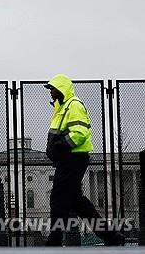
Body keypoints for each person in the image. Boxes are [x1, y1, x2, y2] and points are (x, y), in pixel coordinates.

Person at [44, 74, 125, 246]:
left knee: (58, 197)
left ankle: (55, 239)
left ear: (60, 89)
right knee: (78, 202)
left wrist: (59, 146)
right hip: (69, 159)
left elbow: (80, 133)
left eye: (52, 88)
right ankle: (111, 236)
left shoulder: (73, 105)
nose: (50, 91)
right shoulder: (62, 107)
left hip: (72, 159)